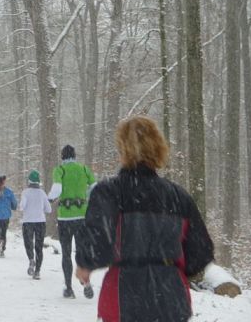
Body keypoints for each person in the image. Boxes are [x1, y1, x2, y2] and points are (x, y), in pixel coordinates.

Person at [75, 115, 214, 322]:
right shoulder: (179, 197)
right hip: (170, 298)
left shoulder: (109, 192)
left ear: (122, 148)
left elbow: (98, 243)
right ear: (158, 147)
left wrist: (85, 264)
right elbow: (201, 252)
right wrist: (170, 271)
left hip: (124, 293)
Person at [47, 144, 96, 299]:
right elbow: (95, 187)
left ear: (63, 156)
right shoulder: (84, 169)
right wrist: (84, 197)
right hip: (82, 216)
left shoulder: (60, 170)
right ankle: (86, 281)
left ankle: (69, 288)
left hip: (65, 218)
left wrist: (49, 199)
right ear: (74, 156)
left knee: (66, 253)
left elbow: (57, 189)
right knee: (82, 252)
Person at [20, 170, 52, 280]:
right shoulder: (42, 193)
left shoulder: (25, 193)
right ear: (38, 182)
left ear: (29, 181)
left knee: (28, 243)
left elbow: (22, 207)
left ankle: (31, 259)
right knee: (39, 247)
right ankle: (37, 271)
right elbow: (49, 209)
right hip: (40, 222)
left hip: (28, 222)